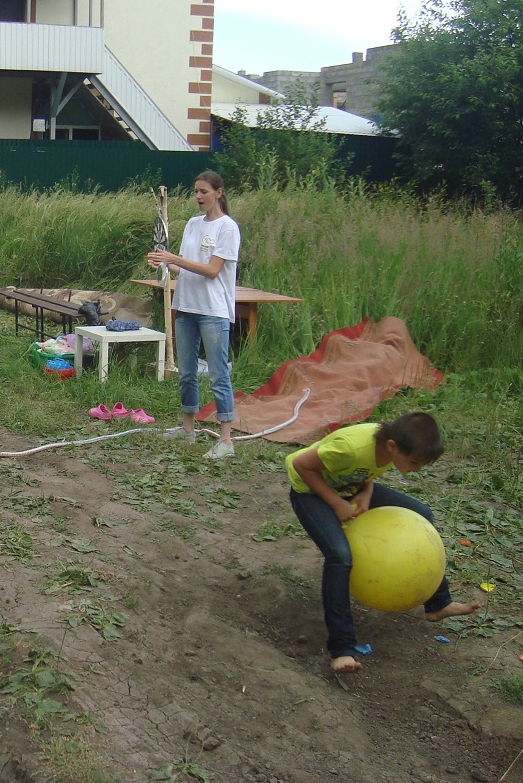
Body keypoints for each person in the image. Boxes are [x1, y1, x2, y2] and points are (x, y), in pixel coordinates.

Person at [287, 412, 481, 674]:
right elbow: (300, 464)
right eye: (413, 462)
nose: (416, 470)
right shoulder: (351, 447)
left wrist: (366, 494)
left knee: (423, 515)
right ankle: (342, 648)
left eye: (421, 465)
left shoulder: (390, 446)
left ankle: (438, 604)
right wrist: (336, 504)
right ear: (392, 446)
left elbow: (366, 473)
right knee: (340, 556)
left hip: (348, 486)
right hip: (309, 490)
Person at [146, 170, 240, 460]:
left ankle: (226, 440)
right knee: (187, 373)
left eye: (204, 192)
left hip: (213, 311)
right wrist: (163, 263)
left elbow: (212, 270)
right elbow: (183, 267)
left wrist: (174, 258)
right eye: (195, 191)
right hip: (185, 307)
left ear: (218, 193)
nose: (198, 197)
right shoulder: (191, 224)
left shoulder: (227, 228)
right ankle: (187, 430)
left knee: (218, 374)